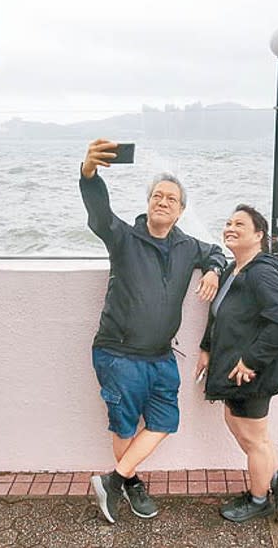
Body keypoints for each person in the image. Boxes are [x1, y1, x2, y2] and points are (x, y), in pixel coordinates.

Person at [80, 138, 226, 524]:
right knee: (125, 424)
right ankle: (131, 483)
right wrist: (89, 173)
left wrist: (212, 269)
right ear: (148, 203)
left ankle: (115, 480)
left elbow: (217, 252)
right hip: (119, 353)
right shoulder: (123, 237)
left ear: (180, 211)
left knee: (164, 422)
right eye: (157, 195)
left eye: (171, 199)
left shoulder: (187, 247)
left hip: (162, 356)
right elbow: (99, 214)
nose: (163, 201)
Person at [194, 204, 278, 523]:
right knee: (240, 426)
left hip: (254, 371)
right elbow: (220, 315)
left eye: (240, 224)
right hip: (236, 367)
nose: (230, 227)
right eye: (228, 222)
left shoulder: (262, 272)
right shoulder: (233, 269)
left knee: (253, 439)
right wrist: (206, 348)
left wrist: (250, 360)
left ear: (259, 235)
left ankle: (259, 500)